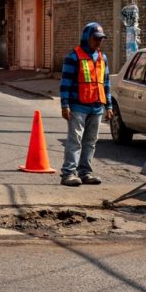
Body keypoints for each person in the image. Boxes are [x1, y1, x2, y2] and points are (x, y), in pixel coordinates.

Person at [58, 22, 110, 187]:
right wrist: (64, 105)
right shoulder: (73, 57)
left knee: (90, 141)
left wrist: (109, 106)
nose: (98, 42)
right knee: (75, 141)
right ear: (87, 38)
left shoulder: (102, 58)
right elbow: (65, 83)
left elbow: (105, 83)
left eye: (101, 39)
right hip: (78, 106)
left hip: (96, 107)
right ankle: (68, 173)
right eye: (95, 39)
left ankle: (85, 172)